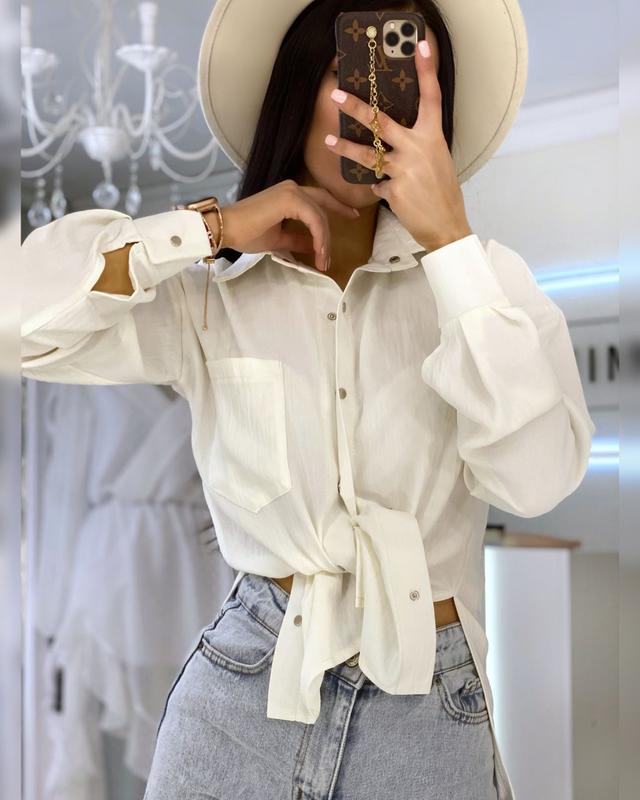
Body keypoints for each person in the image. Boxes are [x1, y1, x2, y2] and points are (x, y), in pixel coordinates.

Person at [21, 0, 595, 798]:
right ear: (297, 88)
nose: (375, 109)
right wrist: (212, 230)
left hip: (427, 711)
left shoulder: (488, 283)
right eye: (349, 72)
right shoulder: (212, 297)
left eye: (405, 84)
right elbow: (18, 325)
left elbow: (536, 479)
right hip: (242, 694)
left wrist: (450, 245)